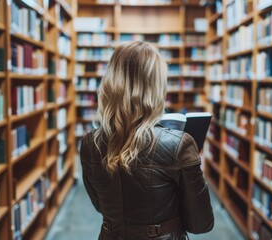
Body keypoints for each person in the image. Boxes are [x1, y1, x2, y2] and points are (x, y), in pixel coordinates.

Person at [80, 41, 214, 240]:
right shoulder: (179, 144)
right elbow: (201, 223)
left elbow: (101, 205)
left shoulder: (90, 143)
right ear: (156, 87)